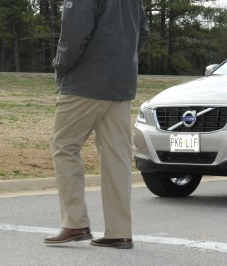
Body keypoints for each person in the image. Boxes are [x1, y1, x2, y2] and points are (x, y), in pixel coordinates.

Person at [44, 0, 149, 249]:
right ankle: (119, 231)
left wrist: (60, 66)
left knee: (64, 145)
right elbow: (143, 32)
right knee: (117, 156)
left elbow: (74, 34)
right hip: (121, 83)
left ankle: (75, 222)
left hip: (85, 83)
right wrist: (122, 59)